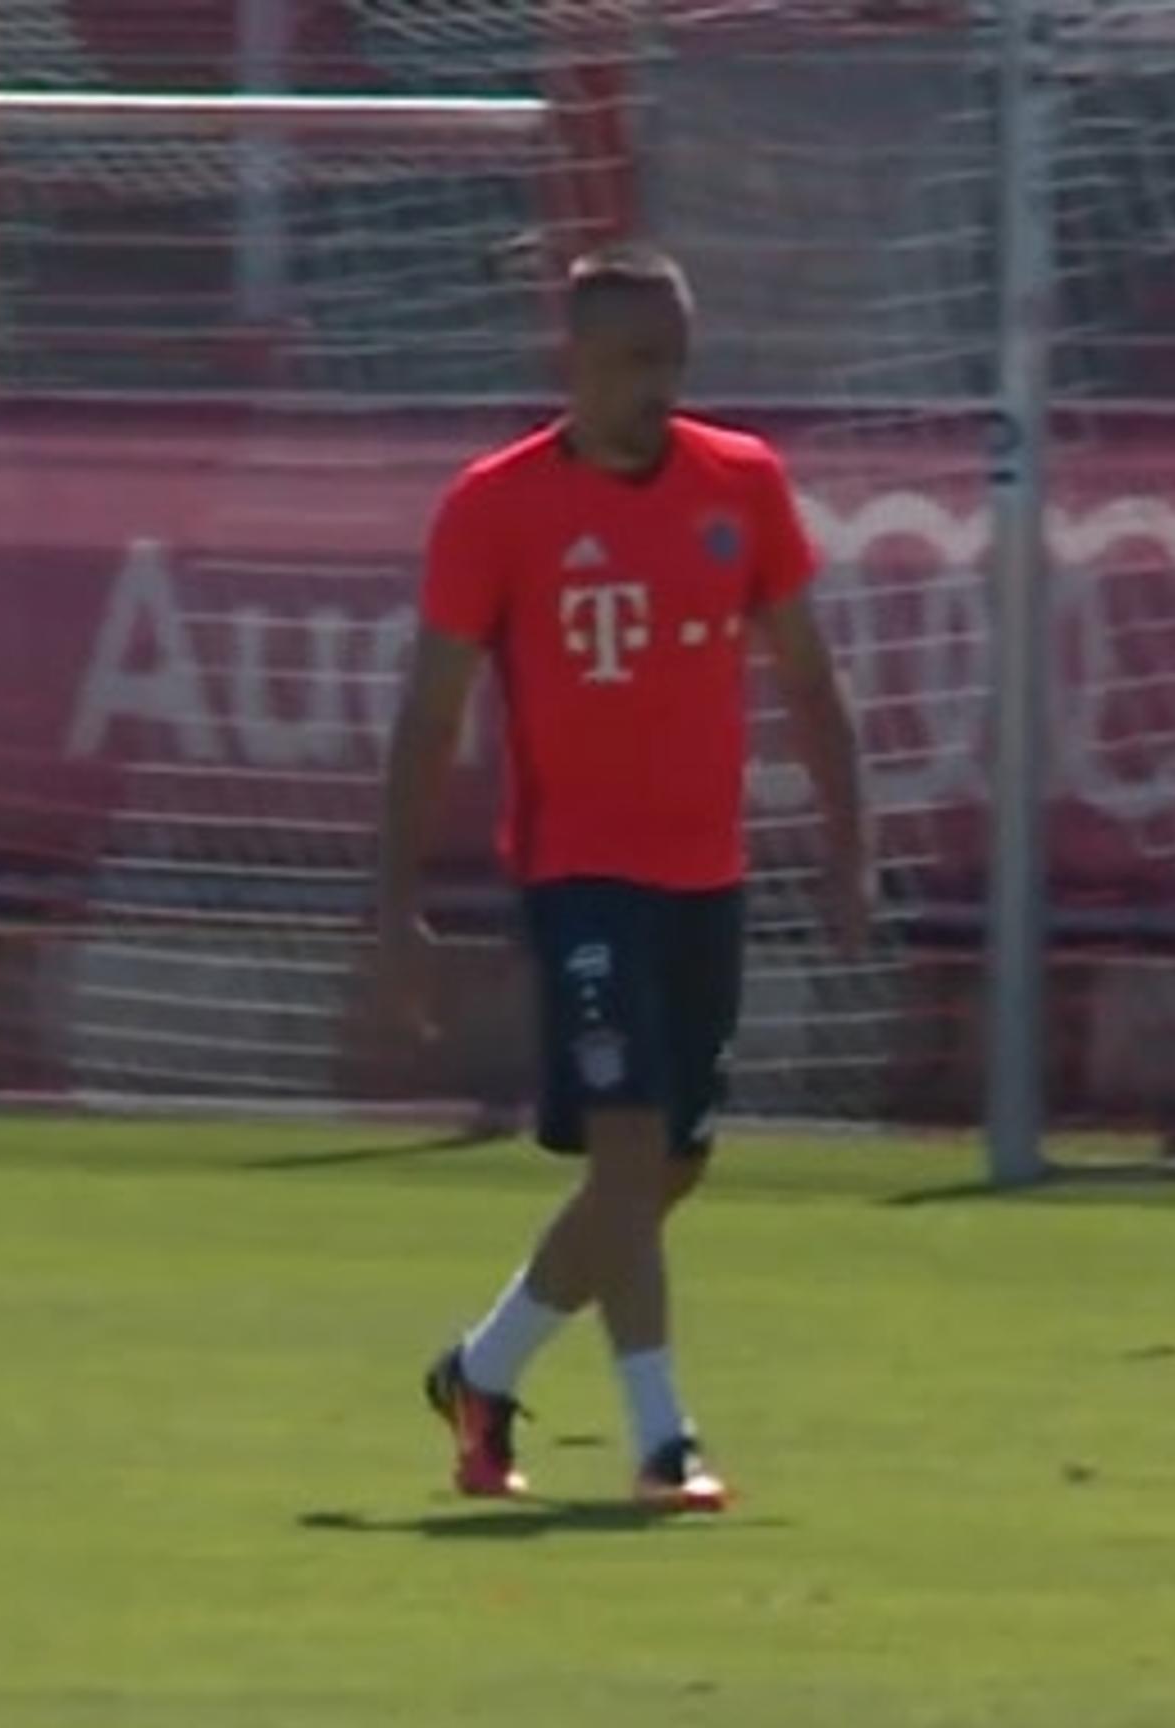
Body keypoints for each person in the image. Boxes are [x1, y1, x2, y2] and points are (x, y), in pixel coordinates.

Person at [369, 245, 870, 1514]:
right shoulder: (496, 505)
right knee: (635, 1152)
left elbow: (809, 677)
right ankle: (663, 1441)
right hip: (580, 876)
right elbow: (430, 716)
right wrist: (398, 907)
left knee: (669, 1168)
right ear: (575, 364)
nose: (660, 385)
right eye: (634, 360)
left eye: (674, 359)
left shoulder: (741, 485)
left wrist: (848, 846)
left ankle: (481, 1374)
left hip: (709, 873)